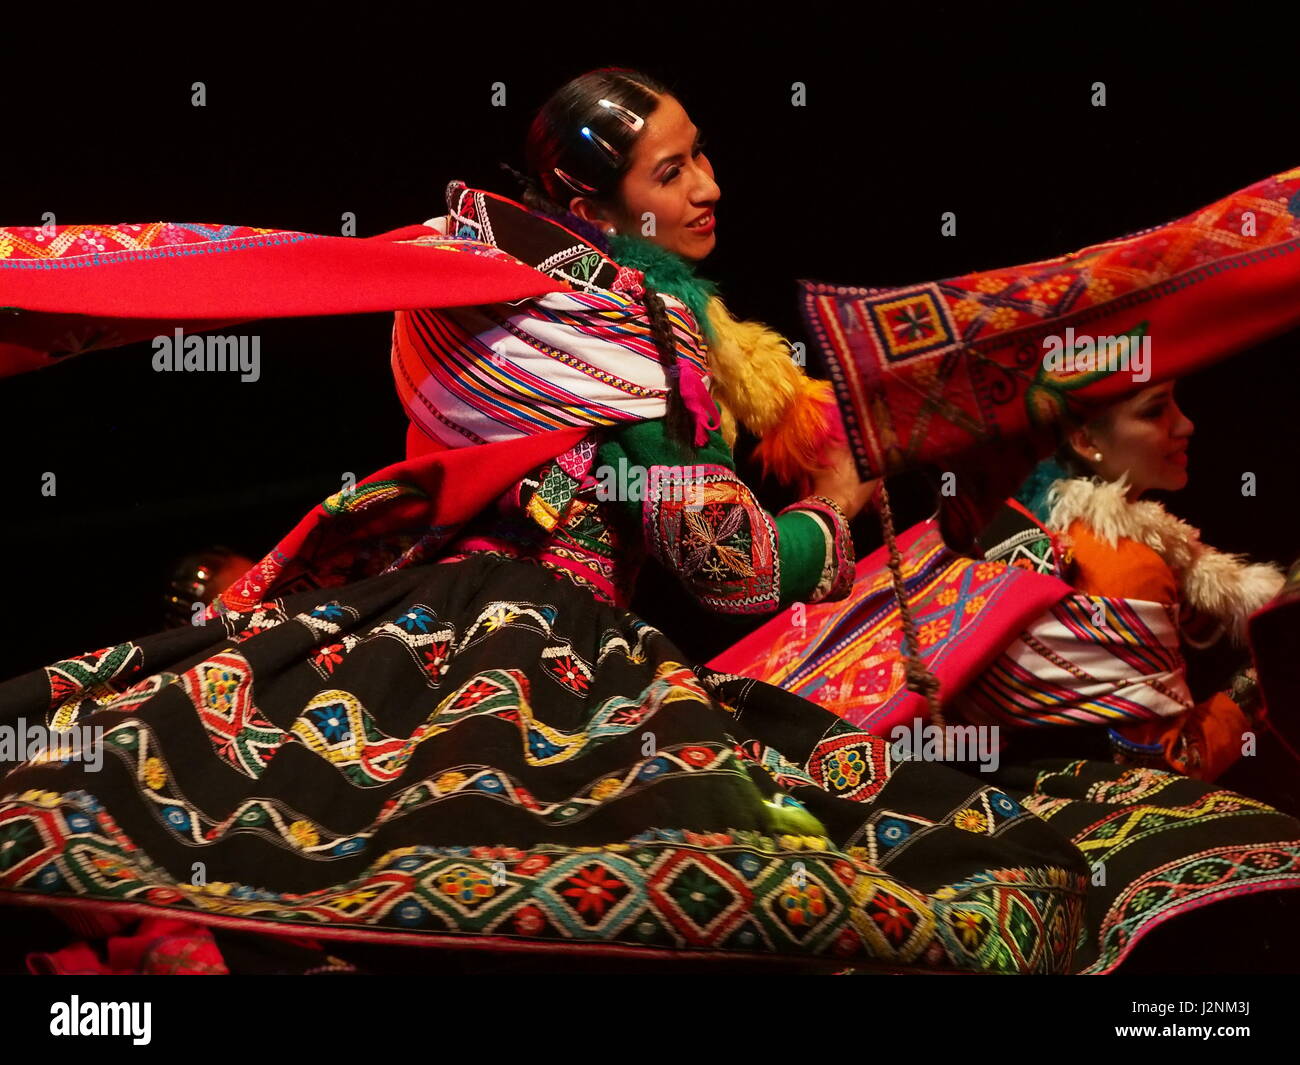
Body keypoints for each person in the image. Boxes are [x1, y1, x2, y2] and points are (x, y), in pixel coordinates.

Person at [0, 68, 1094, 974]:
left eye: (702, 153)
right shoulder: (628, 328)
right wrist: (830, 516)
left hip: (416, 637)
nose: (710, 185)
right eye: (671, 172)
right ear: (595, 199)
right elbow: (725, 569)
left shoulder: (463, 296)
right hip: (555, 658)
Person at [966, 381, 1286, 785]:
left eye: (1175, 404)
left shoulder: (1011, 515)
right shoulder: (1124, 564)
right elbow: (1164, 765)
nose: (1185, 425)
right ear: (1084, 439)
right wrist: (1268, 675)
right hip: (1082, 800)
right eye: (1154, 411)